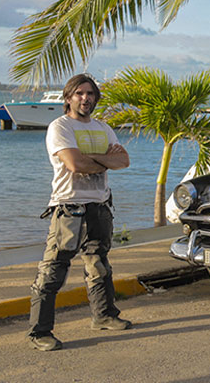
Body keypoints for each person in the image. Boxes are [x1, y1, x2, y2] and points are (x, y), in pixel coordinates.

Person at [27, 74, 131, 351]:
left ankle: (104, 316)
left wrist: (92, 161)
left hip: (100, 205)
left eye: (90, 94)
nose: (85, 99)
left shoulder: (103, 127)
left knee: (99, 264)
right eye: (79, 94)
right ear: (68, 97)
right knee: (53, 270)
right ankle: (40, 332)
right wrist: (102, 161)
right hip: (68, 207)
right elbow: (74, 164)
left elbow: (123, 160)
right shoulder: (59, 127)